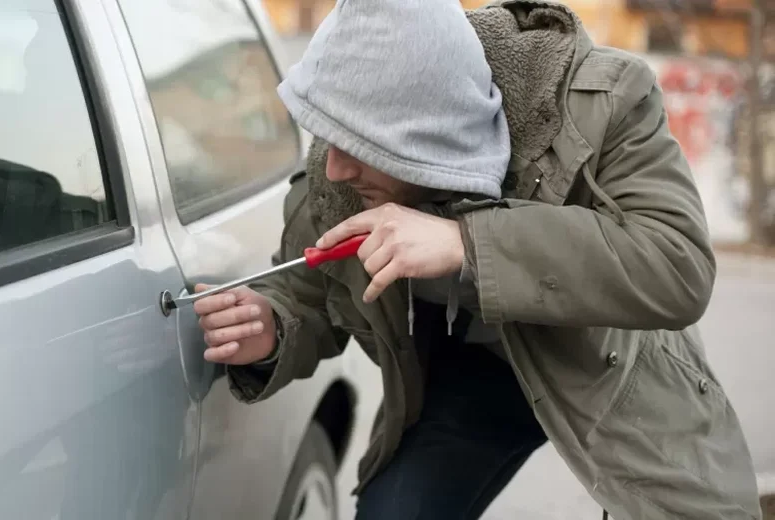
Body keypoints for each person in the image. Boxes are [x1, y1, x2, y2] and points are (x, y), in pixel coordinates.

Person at [194, 0, 762, 518]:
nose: (337, 167)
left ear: (425, 135)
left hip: (610, 366)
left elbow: (677, 263)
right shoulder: (336, 174)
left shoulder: (602, 103)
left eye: (359, 146)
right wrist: (271, 327)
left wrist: (467, 243)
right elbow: (309, 291)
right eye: (329, 138)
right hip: (471, 381)